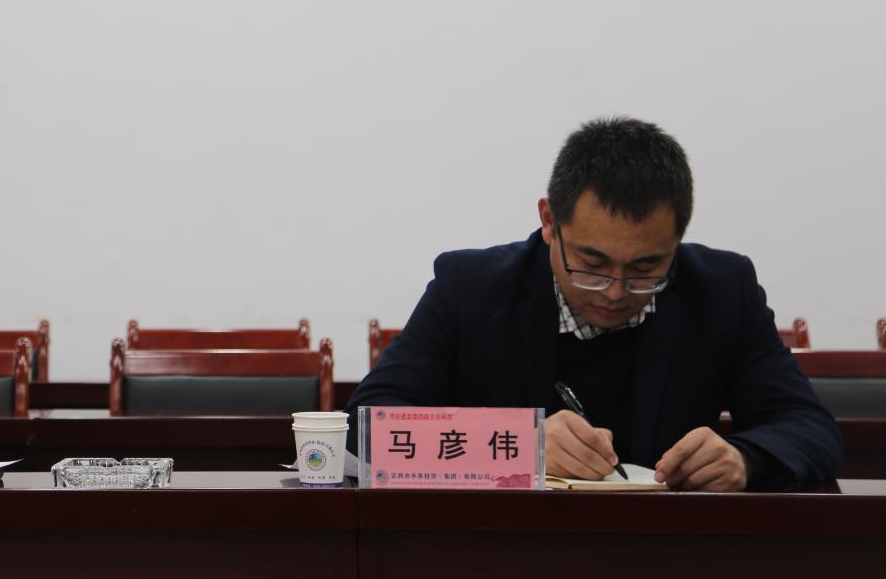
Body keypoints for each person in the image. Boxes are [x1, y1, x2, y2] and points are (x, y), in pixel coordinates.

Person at [348, 117, 841, 491]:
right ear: (549, 222)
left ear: (678, 239)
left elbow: (809, 428)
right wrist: (519, 445)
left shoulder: (723, 291)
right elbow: (367, 427)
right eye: (592, 262)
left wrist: (745, 458)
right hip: (504, 550)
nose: (615, 291)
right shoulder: (471, 288)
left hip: (669, 554)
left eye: (647, 267)